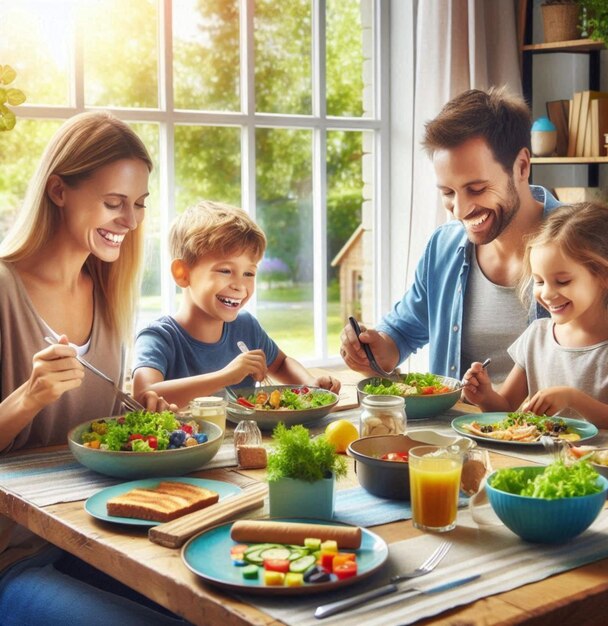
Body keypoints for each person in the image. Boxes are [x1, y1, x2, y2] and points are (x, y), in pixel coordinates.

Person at [0, 111, 187, 625]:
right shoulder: (3, 289)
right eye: (113, 203)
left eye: (139, 205)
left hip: (91, 540)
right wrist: (28, 397)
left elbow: (90, 425)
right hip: (11, 559)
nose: (130, 221)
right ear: (59, 190)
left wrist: (135, 413)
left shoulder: (103, 292)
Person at [340, 86, 563, 385]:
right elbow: (402, 332)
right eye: (448, 192)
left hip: (559, 431)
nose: (460, 210)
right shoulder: (444, 246)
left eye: (477, 189)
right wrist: (375, 347)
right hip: (455, 430)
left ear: (521, 166)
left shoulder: (588, 243)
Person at [132, 200, 341, 408]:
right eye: (225, 270)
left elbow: (281, 363)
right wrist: (226, 376)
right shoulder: (158, 338)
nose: (240, 286)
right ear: (183, 274)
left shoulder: (246, 327)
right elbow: (143, 394)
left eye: (249, 273)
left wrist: (309, 384)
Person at [462, 202, 608, 431]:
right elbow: (506, 408)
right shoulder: (537, 335)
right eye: (539, 281)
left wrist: (573, 399)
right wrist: (485, 396)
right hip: (540, 465)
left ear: (607, 275)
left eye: (562, 281)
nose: (547, 293)